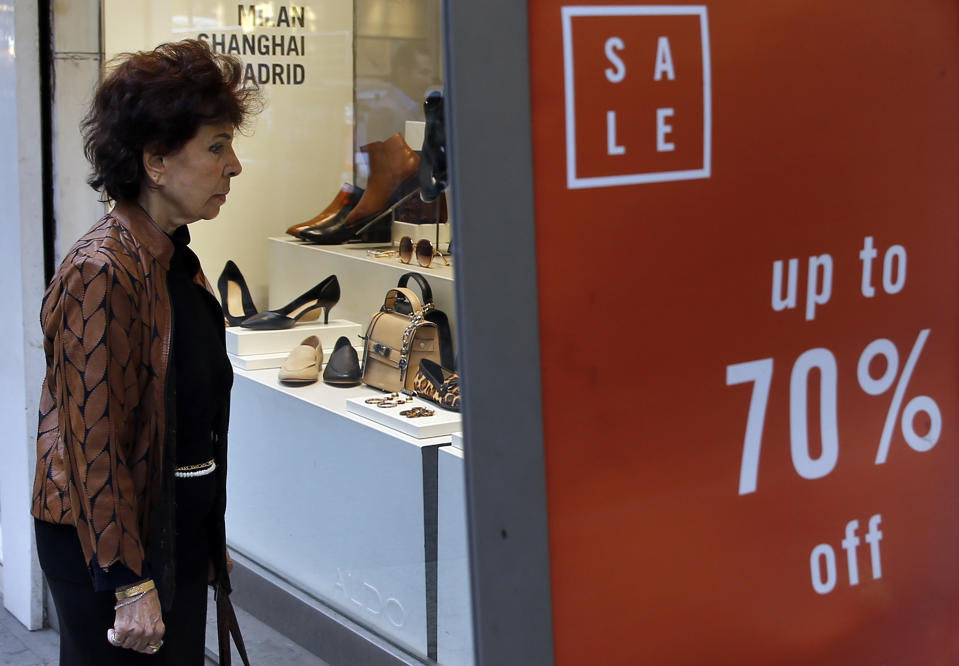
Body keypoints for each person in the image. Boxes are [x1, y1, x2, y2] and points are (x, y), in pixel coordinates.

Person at [30, 39, 259, 664]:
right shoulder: (102, 271)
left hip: (169, 532)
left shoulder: (175, 261)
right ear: (156, 161)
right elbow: (94, 446)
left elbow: (186, 425)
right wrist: (128, 582)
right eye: (216, 147)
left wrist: (206, 534)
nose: (233, 166)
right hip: (110, 551)